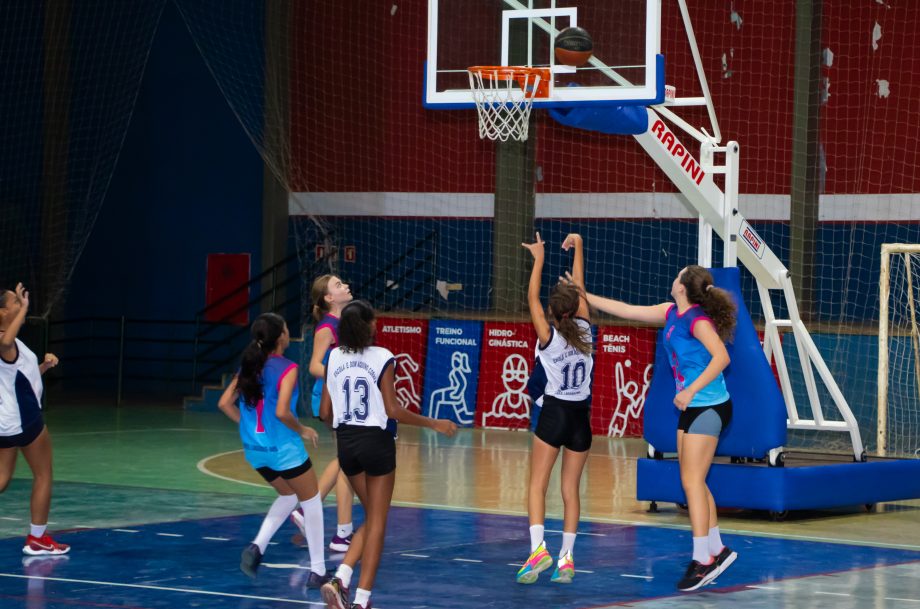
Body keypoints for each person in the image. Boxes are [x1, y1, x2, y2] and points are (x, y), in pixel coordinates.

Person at [582, 264, 738, 591]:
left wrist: (691, 390)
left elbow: (722, 357)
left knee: (692, 481)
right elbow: (627, 310)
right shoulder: (671, 312)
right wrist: (585, 295)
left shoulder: (697, 320)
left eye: (678, 274)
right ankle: (717, 549)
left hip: (708, 405)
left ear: (682, 286)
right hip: (693, 407)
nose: (674, 276)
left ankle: (703, 562)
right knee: (694, 479)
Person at [319, 300, 456, 609]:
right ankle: (362, 600)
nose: (377, 324)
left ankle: (340, 577)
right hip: (376, 442)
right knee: (379, 521)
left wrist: (343, 428)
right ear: (367, 326)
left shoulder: (333, 357)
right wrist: (433, 423)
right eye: (374, 321)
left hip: (347, 443)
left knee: (372, 516)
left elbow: (324, 412)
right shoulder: (383, 357)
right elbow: (393, 409)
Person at [217, 313, 329, 586]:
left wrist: (248, 425)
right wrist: (303, 429)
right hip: (284, 450)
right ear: (281, 337)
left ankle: (257, 546)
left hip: (255, 451)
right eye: (287, 328)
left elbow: (224, 403)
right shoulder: (287, 367)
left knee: (290, 495)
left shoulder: (248, 366)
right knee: (311, 501)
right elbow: (281, 412)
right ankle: (318, 571)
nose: (289, 331)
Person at [516, 233, 594, 585]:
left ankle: (538, 550)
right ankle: (566, 558)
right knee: (570, 491)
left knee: (537, 484)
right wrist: (578, 247)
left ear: (552, 312)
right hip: (581, 418)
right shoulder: (586, 328)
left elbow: (531, 296)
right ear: (575, 309)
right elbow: (579, 289)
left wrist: (539, 258)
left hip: (554, 414)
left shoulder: (548, 338)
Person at [0, 283, 67, 556]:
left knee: (2, 479)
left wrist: (44, 367)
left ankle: (38, 538)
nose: (22, 302)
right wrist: (25, 310)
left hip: (6, 422)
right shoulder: (6, 340)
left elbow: (20, 379)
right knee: (44, 474)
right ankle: (37, 538)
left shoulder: (14, 343)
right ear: (3, 311)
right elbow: (5, 346)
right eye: (16, 301)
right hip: (25, 421)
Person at [307, 274, 356, 552]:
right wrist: (341, 372)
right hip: (330, 398)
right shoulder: (326, 327)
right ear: (328, 298)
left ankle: (339, 531)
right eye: (338, 285)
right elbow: (314, 365)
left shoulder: (343, 323)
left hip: (341, 396)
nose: (345, 285)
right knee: (347, 458)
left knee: (345, 459)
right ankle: (340, 533)